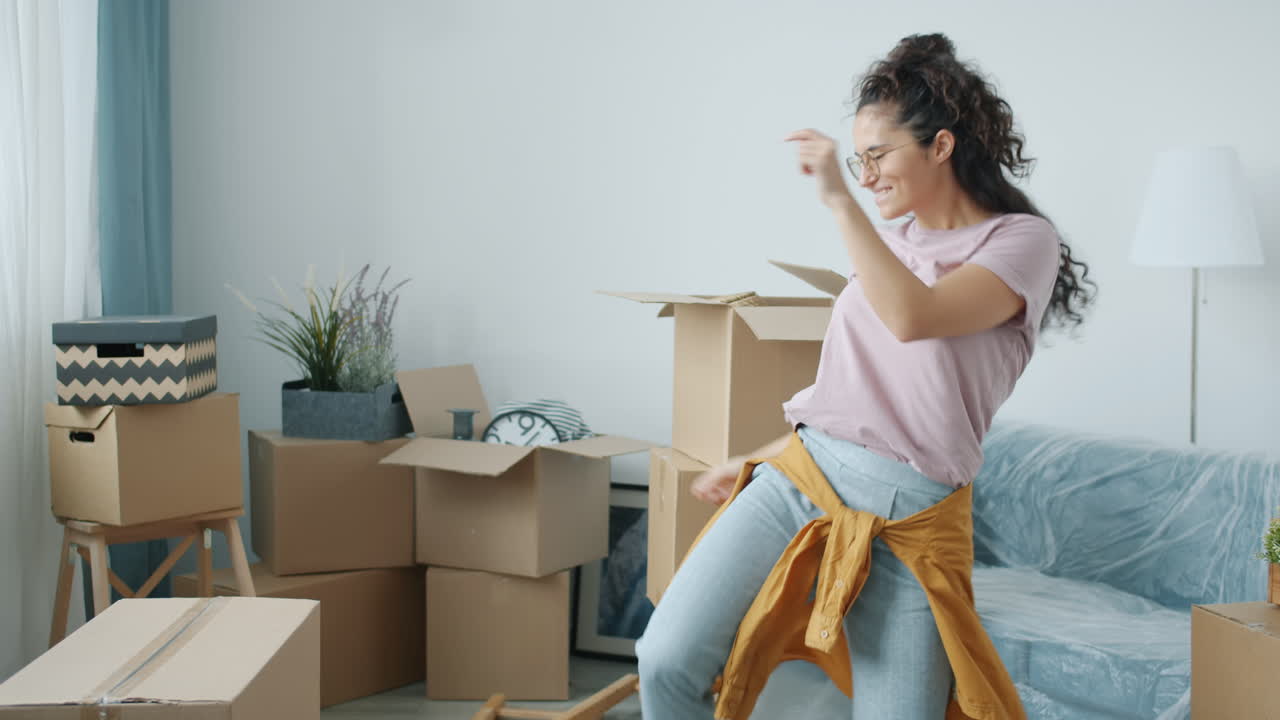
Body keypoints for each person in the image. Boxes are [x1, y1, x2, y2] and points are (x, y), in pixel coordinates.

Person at [634, 32, 1094, 719]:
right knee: (666, 658)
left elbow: (917, 318)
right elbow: (851, 394)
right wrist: (758, 458)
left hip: (912, 516)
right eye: (858, 160)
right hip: (804, 475)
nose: (867, 173)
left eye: (878, 155)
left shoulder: (1021, 242)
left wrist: (839, 201)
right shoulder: (894, 240)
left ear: (940, 145)